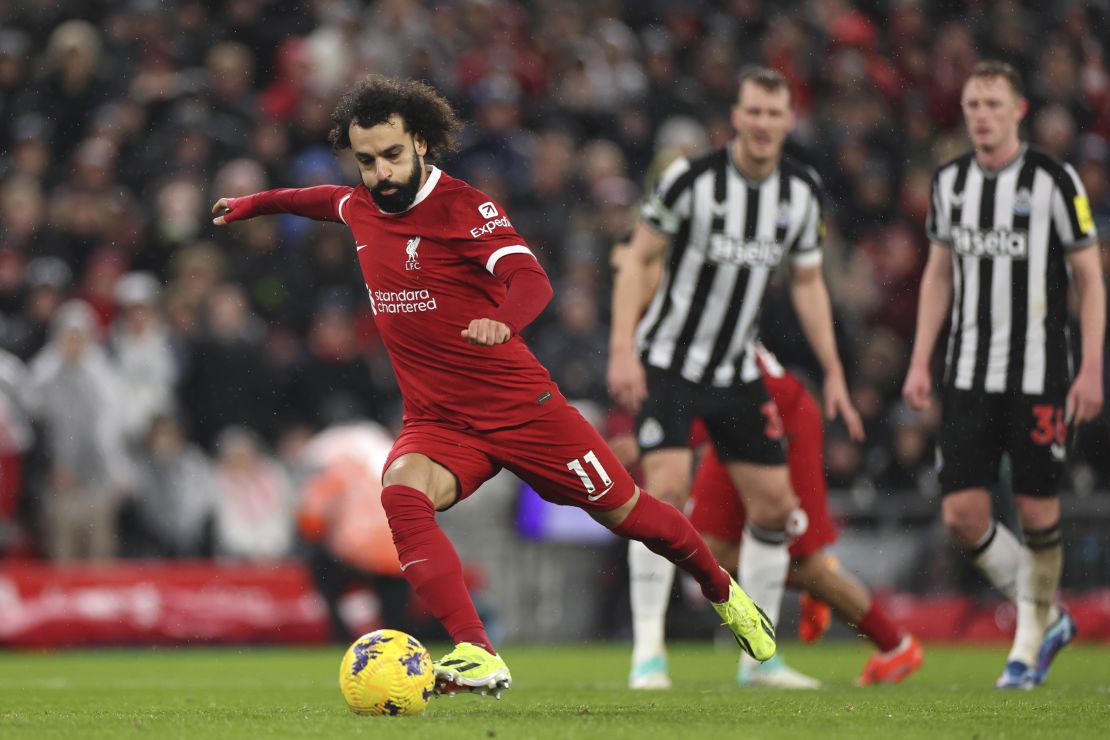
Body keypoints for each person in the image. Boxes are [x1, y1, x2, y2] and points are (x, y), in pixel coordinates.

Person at [212, 75, 775, 698]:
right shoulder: (358, 206)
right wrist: (252, 205)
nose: (379, 174)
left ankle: (724, 593)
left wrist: (500, 320)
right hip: (439, 422)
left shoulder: (465, 207)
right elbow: (314, 198)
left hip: (522, 411)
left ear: (421, 143)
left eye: (392, 156)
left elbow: (532, 280)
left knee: (633, 515)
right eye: (366, 161)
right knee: (400, 493)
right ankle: (478, 652)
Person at [607, 65, 863, 689]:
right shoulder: (689, 179)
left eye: (774, 113)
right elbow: (637, 257)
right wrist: (622, 348)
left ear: (788, 120)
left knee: (775, 506)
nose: (763, 123)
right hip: (667, 359)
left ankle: (759, 659)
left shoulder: (800, 193)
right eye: (753, 111)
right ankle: (648, 655)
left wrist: (833, 369)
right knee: (663, 493)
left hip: (734, 368)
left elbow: (806, 282)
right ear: (737, 118)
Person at [902, 60, 1104, 689]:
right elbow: (938, 273)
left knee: (1038, 510)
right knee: (962, 514)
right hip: (966, 373)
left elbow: (1090, 278)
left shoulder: (1054, 179)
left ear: (1018, 110)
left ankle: (1024, 647)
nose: (980, 115)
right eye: (971, 105)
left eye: (992, 104)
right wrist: (918, 358)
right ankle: (1048, 616)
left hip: (1040, 374)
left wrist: (1092, 366)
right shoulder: (951, 182)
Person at [688, 344, 923, 688]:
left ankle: (895, 646)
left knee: (806, 566)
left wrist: (653, 440)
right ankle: (809, 588)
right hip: (730, 421)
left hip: (781, 416)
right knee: (707, 553)